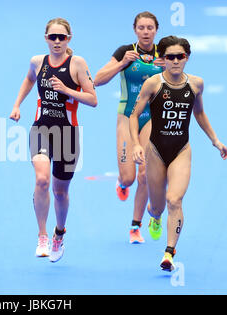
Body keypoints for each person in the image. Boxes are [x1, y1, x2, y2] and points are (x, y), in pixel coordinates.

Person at [130, 36, 227, 271]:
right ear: (162, 59)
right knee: (157, 206)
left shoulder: (196, 84)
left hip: (181, 150)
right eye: (170, 57)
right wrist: (135, 144)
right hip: (154, 150)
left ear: (187, 58)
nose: (175, 61)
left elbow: (200, 113)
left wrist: (215, 140)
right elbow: (134, 115)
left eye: (180, 56)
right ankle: (154, 216)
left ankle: (169, 252)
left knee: (174, 199)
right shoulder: (153, 84)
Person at [9, 18, 97, 262]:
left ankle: (59, 233)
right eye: (52, 37)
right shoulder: (37, 62)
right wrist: (17, 105)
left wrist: (67, 90)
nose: (57, 41)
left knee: (60, 192)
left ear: (69, 39)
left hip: (67, 134)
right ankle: (42, 235)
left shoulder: (77, 64)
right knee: (41, 180)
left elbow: (93, 99)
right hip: (41, 129)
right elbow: (29, 79)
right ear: (46, 38)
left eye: (62, 37)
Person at [94, 12, 164, 244]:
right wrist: (123, 63)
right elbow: (98, 79)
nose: (146, 32)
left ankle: (135, 226)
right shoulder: (125, 51)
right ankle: (122, 183)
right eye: (141, 27)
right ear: (135, 30)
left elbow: (181, 77)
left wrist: (169, 68)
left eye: (150, 28)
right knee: (130, 177)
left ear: (156, 30)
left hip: (151, 117)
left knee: (144, 173)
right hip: (127, 115)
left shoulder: (163, 53)